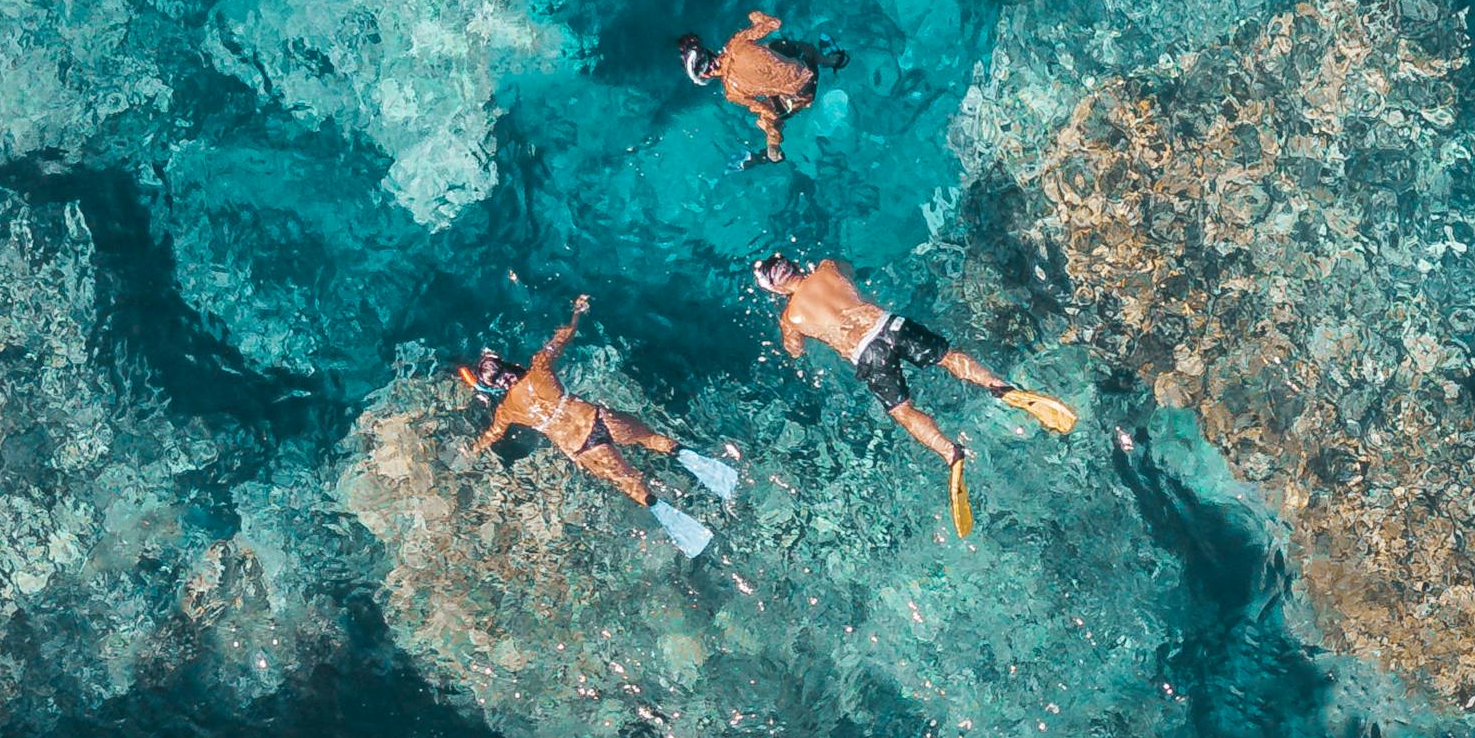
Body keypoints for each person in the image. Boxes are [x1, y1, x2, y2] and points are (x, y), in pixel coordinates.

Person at [751, 255, 1076, 538]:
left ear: (777, 289)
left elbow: (794, 352)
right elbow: (850, 271)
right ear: (793, 266)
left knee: (903, 411)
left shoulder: (790, 317)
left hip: (867, 355)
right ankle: (1003, 390)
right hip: (890, 324)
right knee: (950, 357)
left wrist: (796, 328)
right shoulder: (827, 268)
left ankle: (950, 452)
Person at [458, 296, 735, 558]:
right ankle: (710, 470)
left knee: (632, 485)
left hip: (584, 448)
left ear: (494, 386)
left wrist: (472, 449)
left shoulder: (507, 410)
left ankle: (674, 520)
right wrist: (577, 312)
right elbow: (562, 337)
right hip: (599, 419)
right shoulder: (538, 368)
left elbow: (492, 434)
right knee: (651, 439)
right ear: (507, 363)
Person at [677, 11, 847, 165]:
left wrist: (772, 133)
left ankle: (773, 150)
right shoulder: (736, 43)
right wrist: (754, 16)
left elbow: (768, 112)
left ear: (705, 76)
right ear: (709, 51)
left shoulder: (732, 92)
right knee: (773, 46)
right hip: (806, 61)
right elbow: (774, 24)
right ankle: (831, 61)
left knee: (765, 118)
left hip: (803, 95)